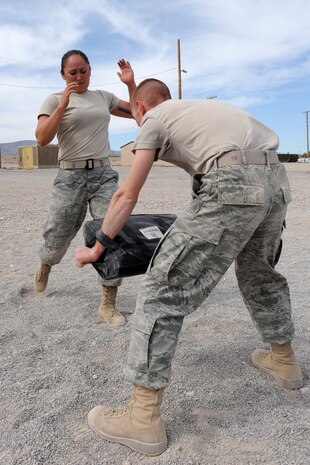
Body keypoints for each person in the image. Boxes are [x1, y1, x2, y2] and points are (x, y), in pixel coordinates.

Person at [75, 78, 303, 456]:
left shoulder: (154, 118)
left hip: (234, 183)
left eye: (135, 116)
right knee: (261, 274)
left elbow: (127, 193)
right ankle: (284, 362)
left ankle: (142, 419)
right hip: (277, 182)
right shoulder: (202, 111)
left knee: (162, 290)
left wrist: (98, 245)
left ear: (141, 109)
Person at [34, 50, 136, 327]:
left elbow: (140, 113)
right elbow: (43, 138)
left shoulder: (104, 97)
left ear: (90, 70)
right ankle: (46, 262)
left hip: (103, 174)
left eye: (84, 71)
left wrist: (130, 84)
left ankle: (108, 304)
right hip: (70, 176)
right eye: (73, 73)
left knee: (112, 232)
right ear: (63, 75)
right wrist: (62, 105)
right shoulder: (54, 99)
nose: (79, 77)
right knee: (58, 231)